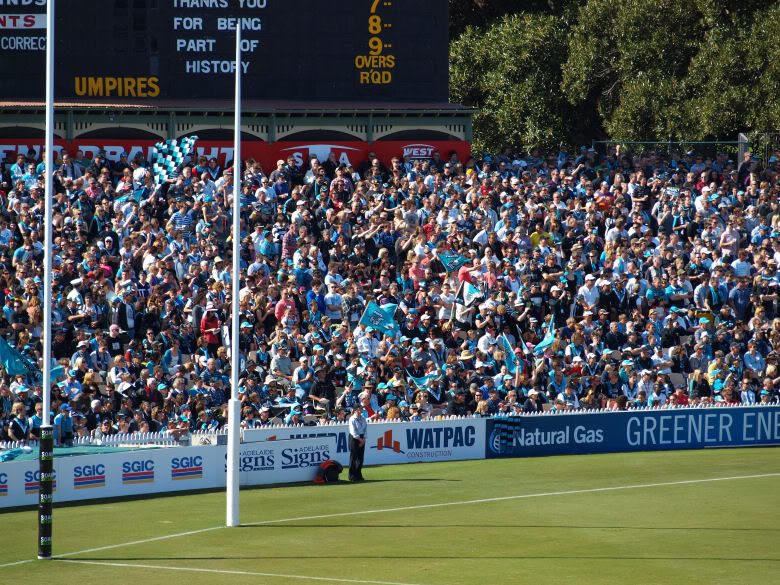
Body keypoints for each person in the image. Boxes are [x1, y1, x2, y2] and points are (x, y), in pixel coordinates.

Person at [347, 403, 367, 482]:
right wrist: (360, 439)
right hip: (354, 438)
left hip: (362, 437)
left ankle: (358, 475)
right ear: (356, 410)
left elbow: (365, 429)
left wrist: (364, 438)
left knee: (360, 458)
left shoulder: (363, 418)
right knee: (353, 458)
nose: (361, 410)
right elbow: (353, 432)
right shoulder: (352, 419)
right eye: (360, 408)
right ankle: (352, 476)